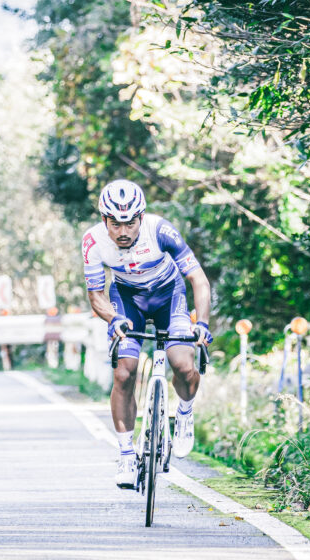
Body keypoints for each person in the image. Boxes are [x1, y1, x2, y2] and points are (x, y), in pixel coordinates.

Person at [82, 179, 212, 488]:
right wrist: (113, 319)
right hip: (128, 301)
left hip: (169, 296)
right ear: (104, 220)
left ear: (141, 217)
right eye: (115, 224)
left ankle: (184, 412)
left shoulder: (161, 230)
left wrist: (203, 323)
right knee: (124, 372)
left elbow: (198, 279)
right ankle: (127, 454)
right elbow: (96, 295)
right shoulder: (93, 242)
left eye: (130, 223)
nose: (123, 231)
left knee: (183, 364)